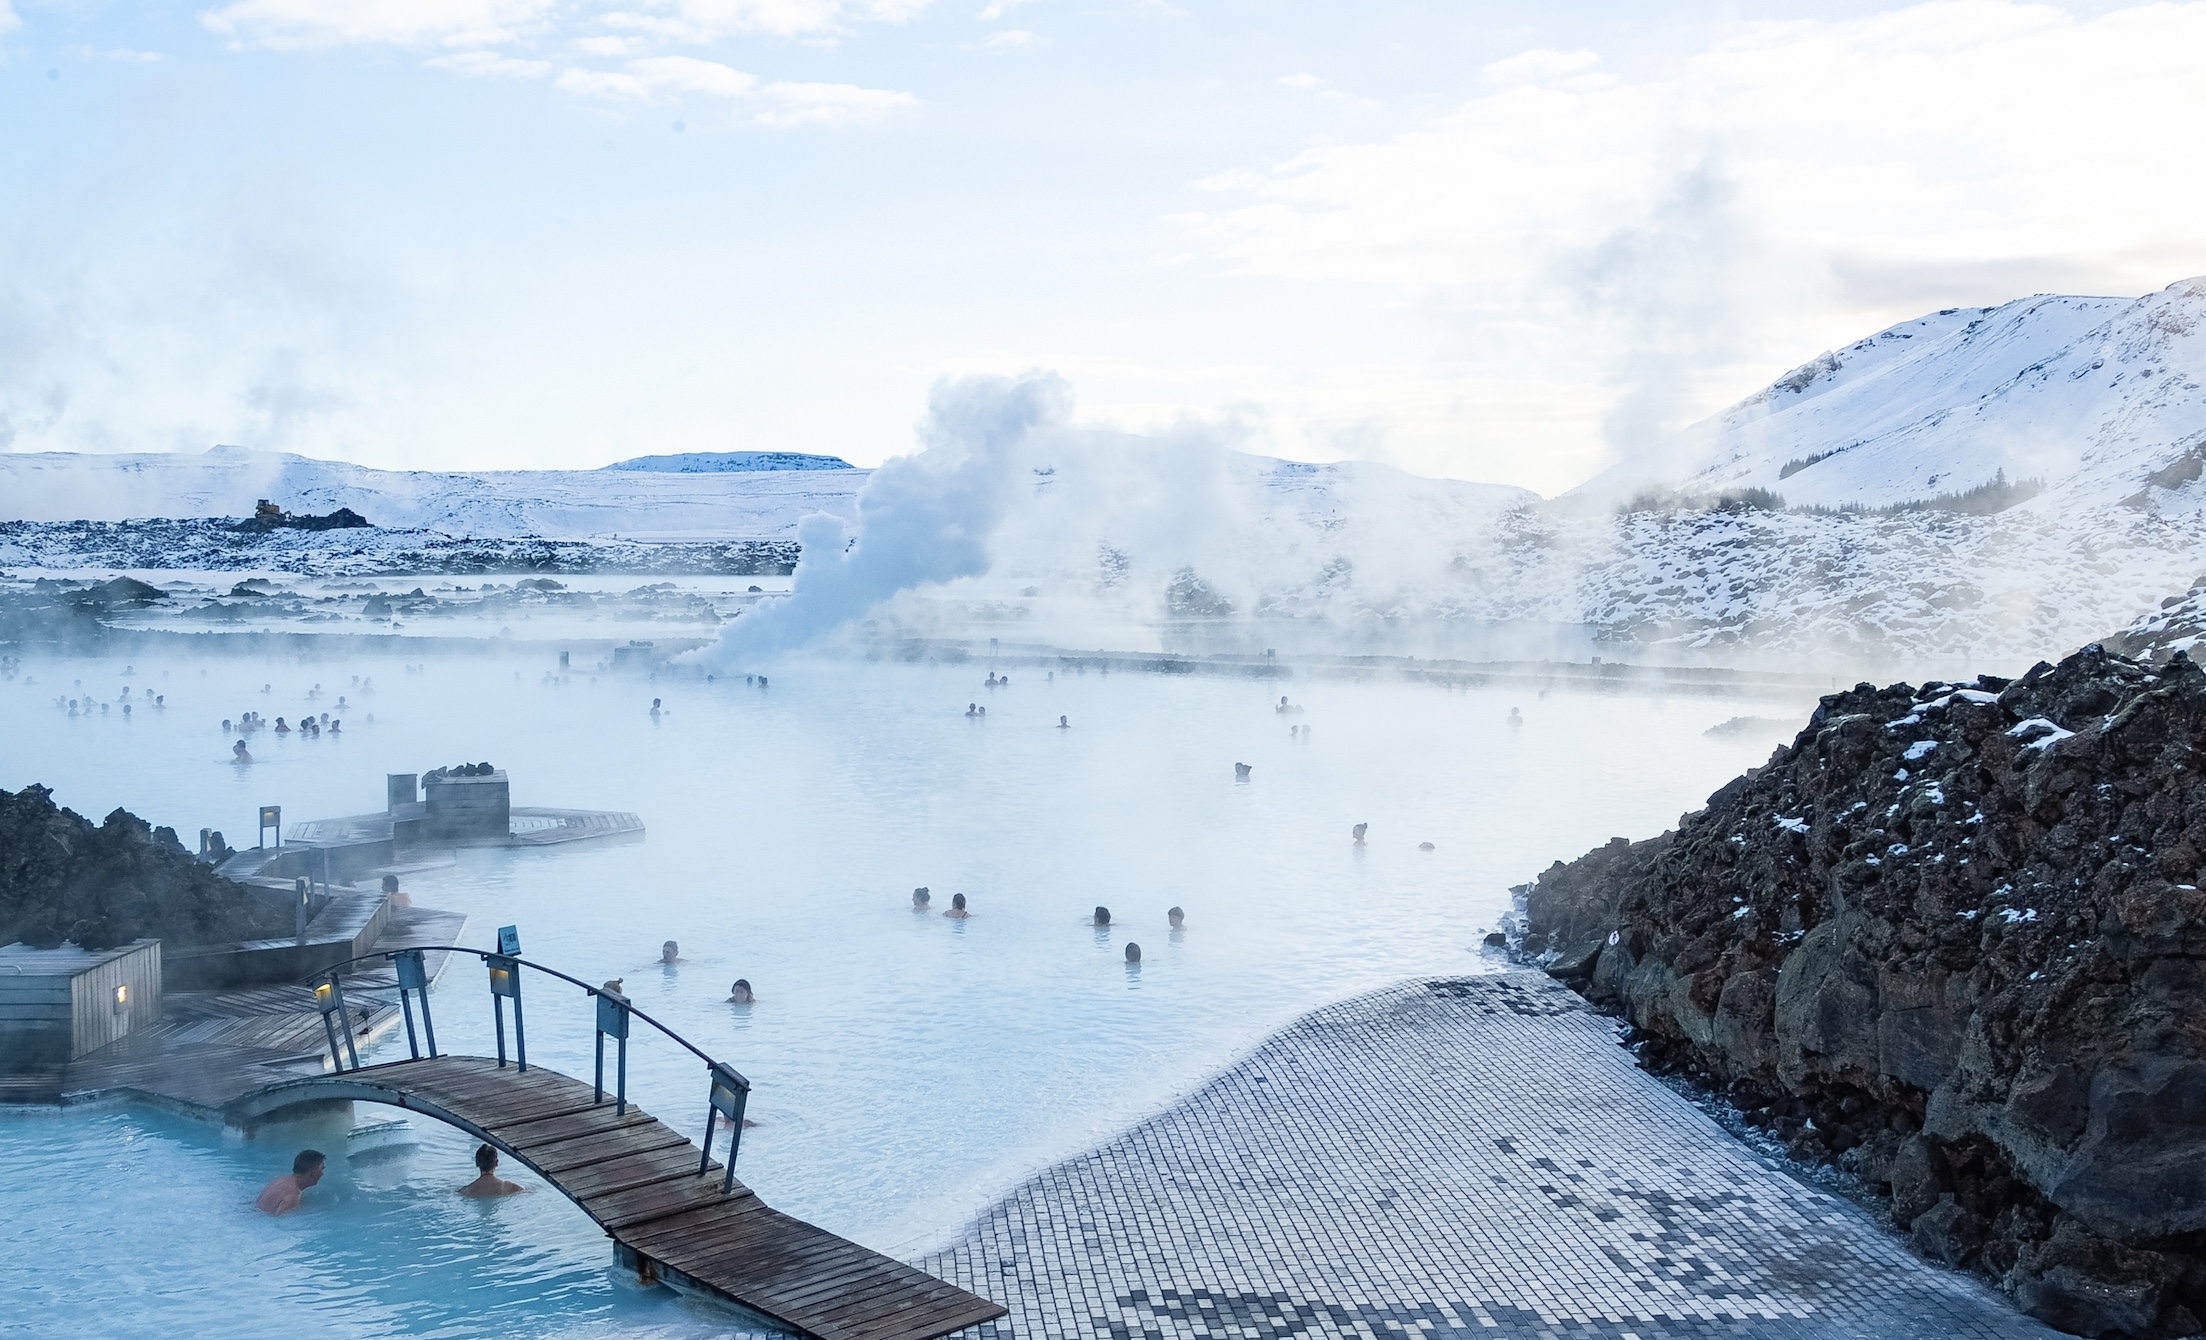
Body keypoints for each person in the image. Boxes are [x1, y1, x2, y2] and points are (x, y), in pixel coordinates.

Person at [256, 1150, 326, 1215]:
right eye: (322, 1169)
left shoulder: (280, 1180)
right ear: (313, 1172)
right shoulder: (293, 1195)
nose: (322, 1173)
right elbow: (280, 1219)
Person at [458, 1143, 525, 1199]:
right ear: (496, 1162)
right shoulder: (508, 1187)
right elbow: (526, 1191)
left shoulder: (466, 1191)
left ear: (476, 1163)